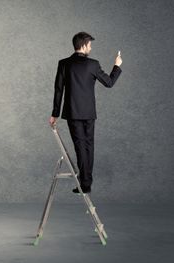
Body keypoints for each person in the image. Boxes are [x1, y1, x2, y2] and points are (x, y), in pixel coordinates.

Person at [49, 32, 122, 194]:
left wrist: (55, 113)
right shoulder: (93, 64)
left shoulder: (64, 64)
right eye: (89, 44)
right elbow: (109, 82)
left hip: (72, 112)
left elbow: (58, 90)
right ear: (83, 45)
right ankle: (87, 182)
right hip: (89, 112)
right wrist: (117, 65)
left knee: (80, 146)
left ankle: (85, 182)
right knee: (89, 146)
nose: (91, 47)